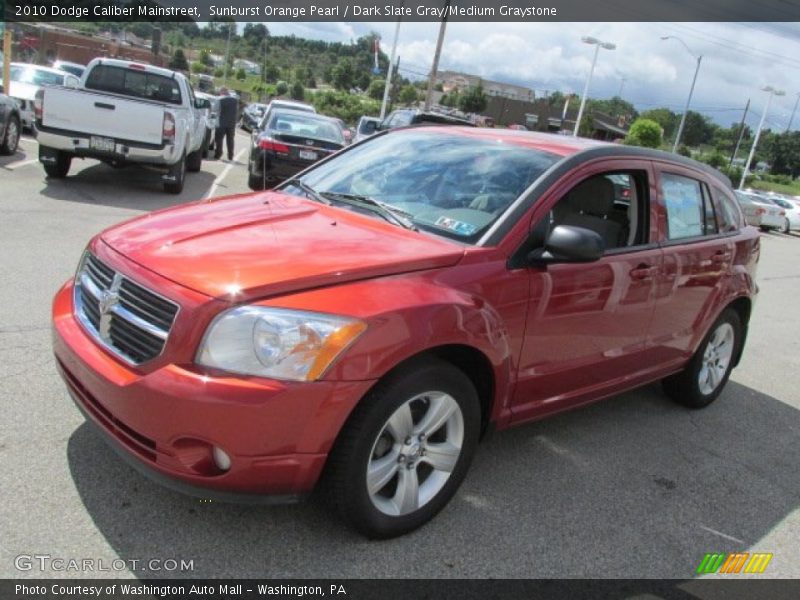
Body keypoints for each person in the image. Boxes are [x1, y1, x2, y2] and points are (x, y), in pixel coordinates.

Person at [214, 87, 238, 161]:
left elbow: (215, 109)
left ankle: (218, 153)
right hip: (231, 123)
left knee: (219, 139)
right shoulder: (235, 100)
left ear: (222, 92)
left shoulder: (219, 99)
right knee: (230, 139)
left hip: (221, 122)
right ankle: (230, 155)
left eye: (220, 92)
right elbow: (236, 111)